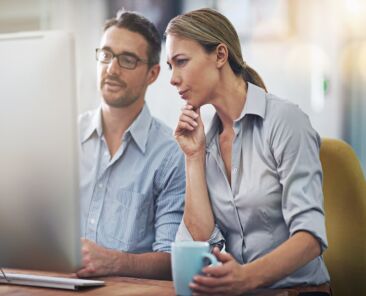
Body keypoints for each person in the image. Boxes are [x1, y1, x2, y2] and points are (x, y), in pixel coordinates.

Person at [165, 8, 331, 295]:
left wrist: (246, 277)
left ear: (220, 55)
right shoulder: (207, 140)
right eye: (170, 66)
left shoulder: (285, 122)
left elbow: (310, 237)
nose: (173, 79)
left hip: (298, 291)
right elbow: (202, 243)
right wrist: (193, 157)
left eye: (181, 62)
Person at [77, 10, 185, 280]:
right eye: (105, 55)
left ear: (152, 73)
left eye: (127, 60)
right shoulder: (64, 138)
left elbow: (171, 260)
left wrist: (114, 262)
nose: (111, 69)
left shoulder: (171, 154)